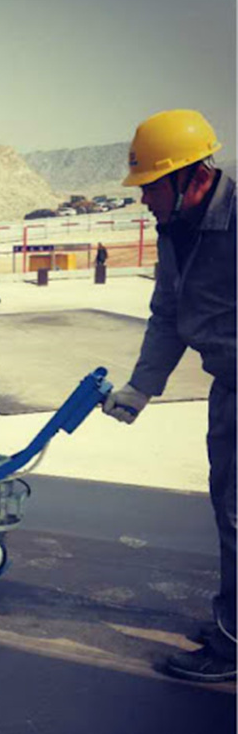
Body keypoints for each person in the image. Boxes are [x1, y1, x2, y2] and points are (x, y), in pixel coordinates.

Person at [103, 109, 236, 682]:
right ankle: (234, 623)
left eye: (150, 186)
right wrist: (140, 389)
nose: (143, 200)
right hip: (229, 388)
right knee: (228, 510)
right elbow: (168, 313)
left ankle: (233, 649)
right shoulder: (177, 229)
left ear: (192, 176)